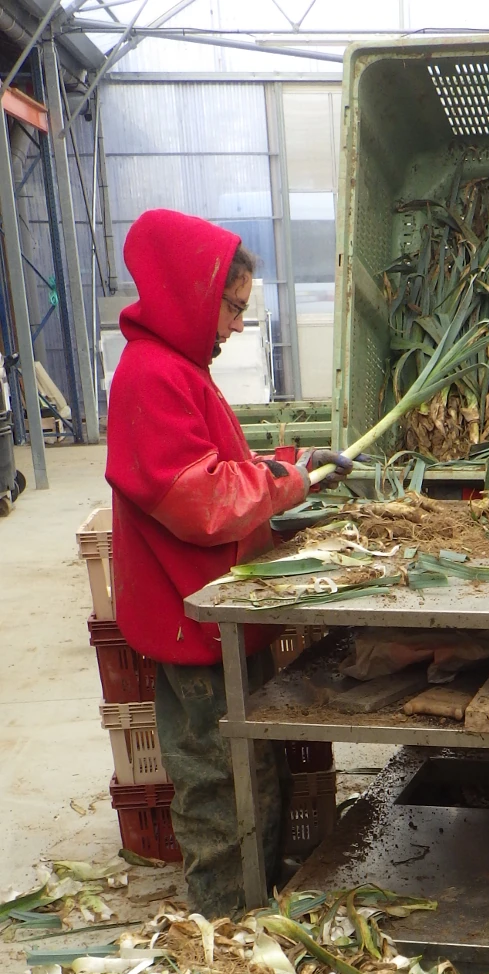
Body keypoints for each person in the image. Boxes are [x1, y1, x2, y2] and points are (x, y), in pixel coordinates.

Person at [105, 209, 351, 916]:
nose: (238, 325)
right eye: (234, 306)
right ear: (193, 293)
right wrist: (290, 485)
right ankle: (223, 933)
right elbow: (200, 499)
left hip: (218, 620)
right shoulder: (150, 377)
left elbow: (220, 466)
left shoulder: (180, 369)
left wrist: (284, 465)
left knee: (253, 775)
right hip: (195, 627)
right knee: (220, 788)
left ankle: (254, 915)